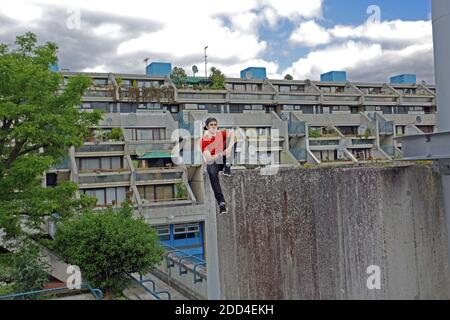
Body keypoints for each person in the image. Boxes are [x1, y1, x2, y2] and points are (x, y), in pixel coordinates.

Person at [200, 117, 236, 215]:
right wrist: (221, 153)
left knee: (231, 141)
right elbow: (208, 158)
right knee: (211, 173)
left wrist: (229, 148)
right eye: (211, 125)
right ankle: (221, 203)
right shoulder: (204, 140)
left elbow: (233, 135)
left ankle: (228, 165)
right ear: (207, 127)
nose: (213, 126)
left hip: (224, 160)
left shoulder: (221, 133)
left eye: (215, 125)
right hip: (214, 162)